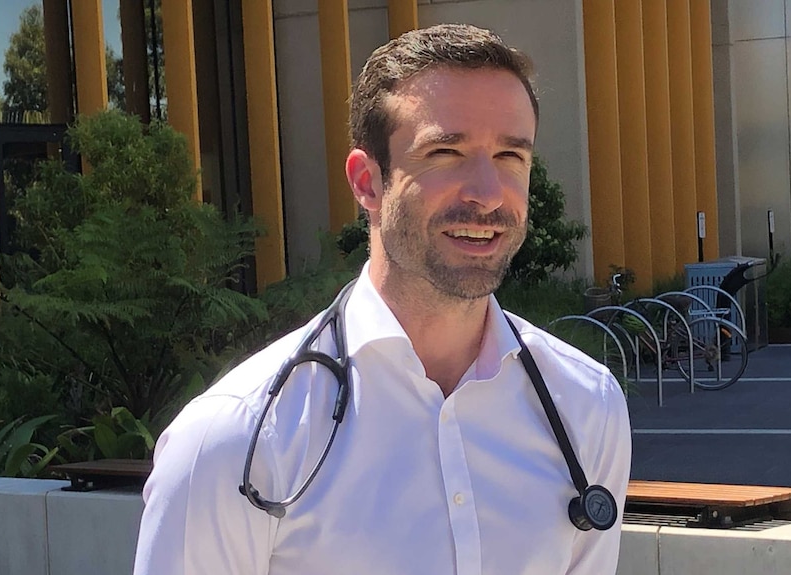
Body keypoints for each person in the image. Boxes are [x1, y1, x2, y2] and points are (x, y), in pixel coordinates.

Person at [133, 23, 631, 575]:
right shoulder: (234, 441)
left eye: (511, 157)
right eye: (446, 152)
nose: (488, 194)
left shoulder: (587, 408)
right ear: (367, 182)